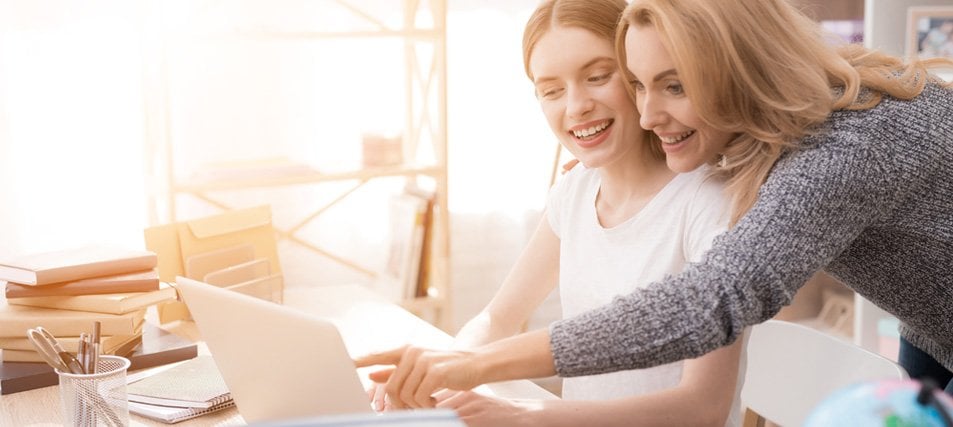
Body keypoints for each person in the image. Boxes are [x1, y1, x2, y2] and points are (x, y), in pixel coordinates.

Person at [355, 0, 953, 409]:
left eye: (673, 85)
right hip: (930, 326)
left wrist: (479, 368)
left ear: (741, 68)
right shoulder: (787, 116)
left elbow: (710, 301)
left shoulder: (845, 148)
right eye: (639, 84)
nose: (644, 114)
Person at [369, 0, 747, 425]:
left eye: (599, 77)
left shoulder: (706, 204)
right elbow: (497, 317)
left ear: (639, 75)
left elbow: (703, 408)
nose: (576, 105)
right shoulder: (575, 192)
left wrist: (525, 414)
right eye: (551, 90)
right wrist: (431, 370)